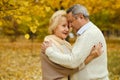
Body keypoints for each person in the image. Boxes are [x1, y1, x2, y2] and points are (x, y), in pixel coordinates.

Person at [42, 4, 109, 80]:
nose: (70, 26)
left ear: (81, 17)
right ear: (54, 26)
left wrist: (49, 52)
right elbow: (67, 66)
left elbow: (73, 62)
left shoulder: (89, 34)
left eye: (71, 21)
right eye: (64, 25)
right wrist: (91, 56)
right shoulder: (48, 43)